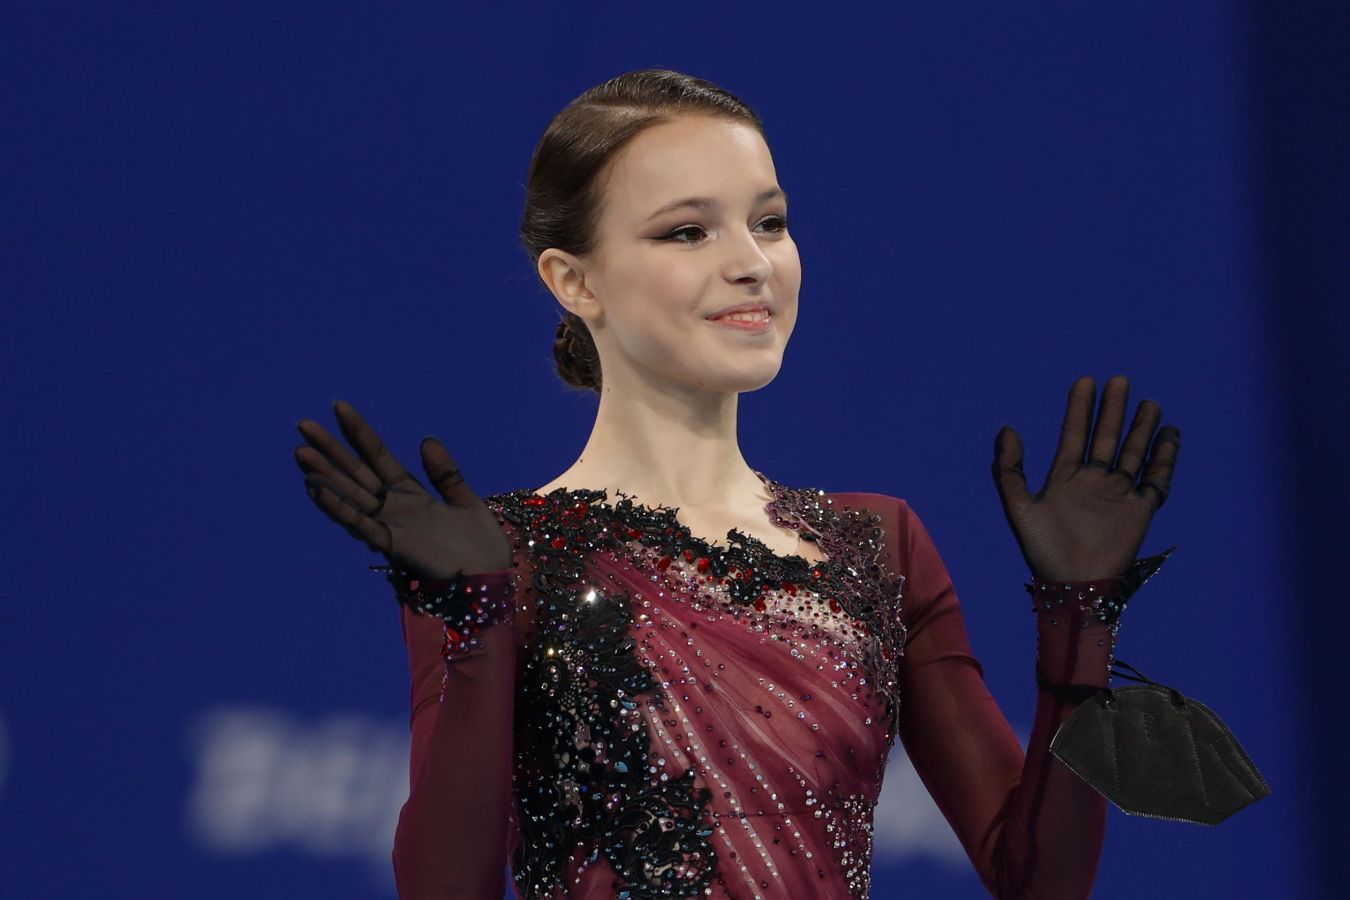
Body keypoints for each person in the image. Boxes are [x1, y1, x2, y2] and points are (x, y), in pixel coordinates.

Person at [293, 69, 1181, 900]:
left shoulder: (878, 546)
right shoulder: (501, 557)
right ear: (574, 281)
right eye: (688, 231)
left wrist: (1081, 618)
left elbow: (1037, 878)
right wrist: (479, 622)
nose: (752, 261)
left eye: (770, 222)